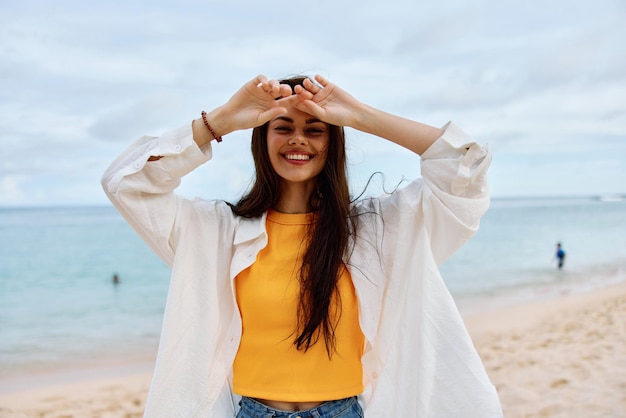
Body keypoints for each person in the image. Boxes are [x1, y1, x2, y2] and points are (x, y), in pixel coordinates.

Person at [102, 74, 502, 417]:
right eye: (283, 126)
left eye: (314, 128)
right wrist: (221, 120)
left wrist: (360, 116)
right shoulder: (215, 232)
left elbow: (463, 168)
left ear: (332, 142)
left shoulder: (376, 229)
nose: (298, 139)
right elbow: (128, 184)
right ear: (263, 137)